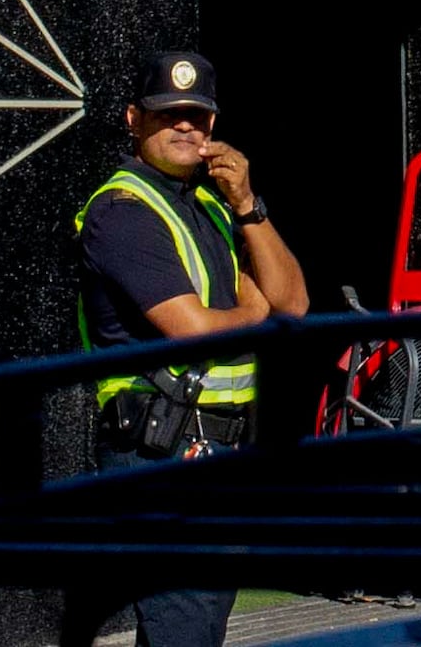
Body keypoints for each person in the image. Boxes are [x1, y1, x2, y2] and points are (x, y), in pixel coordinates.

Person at [74, 49, 311, 647]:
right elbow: (196, 329)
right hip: (155, 456)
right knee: (185, 628)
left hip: (218, 454)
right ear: (134, 119)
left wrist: (248, 205)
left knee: (195, 626)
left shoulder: (214, 202)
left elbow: (296, 302)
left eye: (197, 115)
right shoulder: (121, 212)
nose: (185, 126)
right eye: (167, 113)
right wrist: (253, 309)